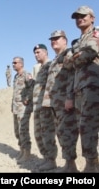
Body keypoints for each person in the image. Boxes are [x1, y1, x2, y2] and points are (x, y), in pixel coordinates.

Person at [64, 6, 99, 172]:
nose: (79, 19)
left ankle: (92, 165)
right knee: (83, 126)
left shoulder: (95, 34)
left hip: (93, 86)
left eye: (83, 16)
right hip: (79, 89)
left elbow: (87, 56)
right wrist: (76, 57)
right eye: (76, 16)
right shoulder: (79, 41)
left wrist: (76, 57)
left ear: (92, 18)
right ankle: (91, 163)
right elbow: (68, 65)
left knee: (88, 126)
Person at [42, 30, 79, 172]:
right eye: (52, 39)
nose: (53, 41)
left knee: (67, 132)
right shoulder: (55, 60)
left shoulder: (68, 54)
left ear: (65, 40)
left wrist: (70, 97)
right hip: (55, 103)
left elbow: (73, 75)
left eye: (57, 38)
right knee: (61, 132)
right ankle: (68, 165)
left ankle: (71, 166)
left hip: (65, 102)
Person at [32, 44, 58, 171]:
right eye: (35, 53)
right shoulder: (41, 68)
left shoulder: (50, 65)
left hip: (46, 106)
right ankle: (46, 158)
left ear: (46, 52)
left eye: (38, 52)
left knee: (47, 134)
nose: (36, 55)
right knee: (38, 134)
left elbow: (53, 84)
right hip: (37, 106)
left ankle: (51, 160)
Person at [11, 56, 34, 164]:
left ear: (21, 64)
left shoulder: (26, 74)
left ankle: (27, 153)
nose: (13, 64)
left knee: (23, 130)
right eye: (13, 63)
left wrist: (27, 99)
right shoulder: (16, 76)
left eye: (15, 62)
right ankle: (21, 150)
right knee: (17, 131)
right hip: (16, 108)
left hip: (23, 108)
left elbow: (32, 87)